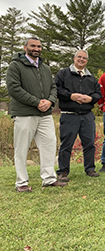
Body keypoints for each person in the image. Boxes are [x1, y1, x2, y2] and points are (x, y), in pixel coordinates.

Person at [6, 37, 67, 192]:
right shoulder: (15, 66)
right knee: (22, 148)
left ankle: (49, 179)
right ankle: (21, 183)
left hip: (45, 114)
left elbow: (53, 88)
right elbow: (14, 89)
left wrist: (50, 102)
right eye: (33, 46)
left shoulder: (45, 68)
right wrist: (36, 102)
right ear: (25, 47)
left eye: (39, 46)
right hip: (24, 114)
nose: (36, 49)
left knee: (49, 145)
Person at [55, 50, 102, 181]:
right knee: (66, 144)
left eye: (84, 58)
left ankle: (90, 169)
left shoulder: (91, 78)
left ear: (87, 61)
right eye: (79, 57)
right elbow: (57, 90)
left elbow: (98, 94)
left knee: (89, 144)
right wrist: (71, 96)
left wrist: (90, 99)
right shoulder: (63, 74)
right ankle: (63, 171)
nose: (81, 60)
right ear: (74, 58)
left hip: (87, 115)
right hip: (69, 115)